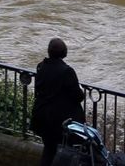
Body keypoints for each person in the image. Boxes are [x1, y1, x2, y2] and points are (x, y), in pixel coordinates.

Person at [30, 38, 85, 166]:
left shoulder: (41, 67)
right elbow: (78, 96)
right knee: (63, 153)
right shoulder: (67, 71)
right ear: (64, 52)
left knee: (49, 150)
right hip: (59, 121)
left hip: (42, 116)